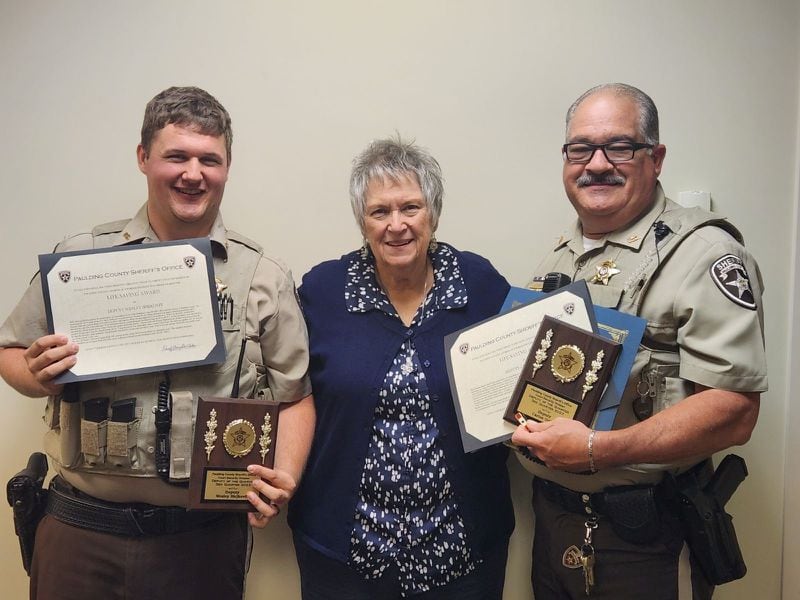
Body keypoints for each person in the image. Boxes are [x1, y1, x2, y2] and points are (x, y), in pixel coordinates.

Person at [0, 86, 314, 600]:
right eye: (177, 156)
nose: (194, 173)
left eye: (209, 159)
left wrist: (285, 476)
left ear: (227, 167)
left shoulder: (263, 275)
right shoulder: (80, 260)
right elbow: (9, 351)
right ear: (144, 158)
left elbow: (296, 395)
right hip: (81, 532)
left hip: (201, 542)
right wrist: (33, 374)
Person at [511, 83, 767, 599]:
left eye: (619, 146)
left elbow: (735, 409)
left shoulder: (704, 255)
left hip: (645, 537)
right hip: (554, 519)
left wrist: (595, 450)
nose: (597, 163)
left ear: (656, 158)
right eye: (580, 148)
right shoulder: (559, 258)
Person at [284, 136, 514, 599]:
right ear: (361, 221)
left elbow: (520, 374)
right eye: (379, 212)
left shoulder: (479, 285)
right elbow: (284, 380)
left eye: (410, 207)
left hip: (461, 550)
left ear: (433, 212)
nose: (396, 226)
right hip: (345, 553)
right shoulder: (325, 291)